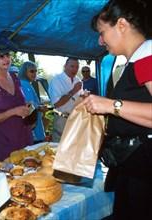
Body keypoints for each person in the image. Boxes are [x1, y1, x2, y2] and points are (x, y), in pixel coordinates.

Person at [76, 1, 152, 219]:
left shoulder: (147, 53)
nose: (101, 41)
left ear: (121, 25)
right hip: (135, 169)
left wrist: (111, 105)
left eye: (102, 32)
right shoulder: (135, 60)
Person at [0, 48, 33, 161]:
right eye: (1, 56)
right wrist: (13, 111)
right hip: (6, 143)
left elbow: (15, 103)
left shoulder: (15, 77)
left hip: (25, 137)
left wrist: (25, 107)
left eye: (7, 55)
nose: (6, 59)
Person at [48, 57, 83, 142]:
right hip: (62, 119)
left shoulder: (78, 80)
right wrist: (73, 90)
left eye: (77, 67)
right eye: (72, 66)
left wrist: (85, 97)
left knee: (74, 146)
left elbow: (79, 98)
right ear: (65, 66)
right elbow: (56, 103)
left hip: (76, 119)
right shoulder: (56, 80)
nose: (74, 69)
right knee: (59, 148)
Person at [18, 61, 46, 144]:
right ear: (24, 72)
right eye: (31, 71)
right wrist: (41, 107)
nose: (34, 73)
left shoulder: (24, 84)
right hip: (32, 129)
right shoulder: (25, 84)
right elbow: (30, 105)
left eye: (35, 71)